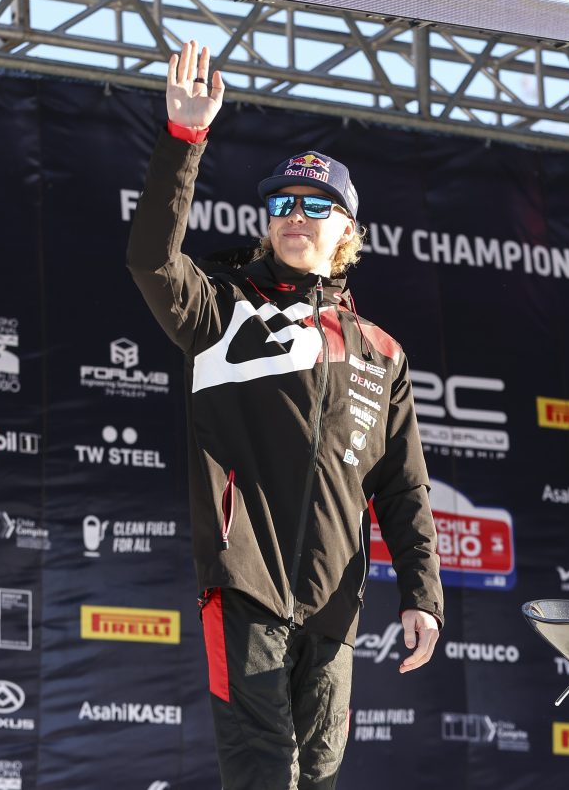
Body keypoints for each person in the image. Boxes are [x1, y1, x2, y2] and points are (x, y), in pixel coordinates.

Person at [126, 40, 444, 790]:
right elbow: (151, 261)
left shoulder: (381, 353)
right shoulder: (222, 309)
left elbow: (403, 488)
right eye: (280, 204)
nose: (294, 216)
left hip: (334, 603)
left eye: (314, 205)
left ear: (347, 231)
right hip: (245, 586)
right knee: (264, 774)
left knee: (319, 778)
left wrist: (422, 596)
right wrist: (184, 139)